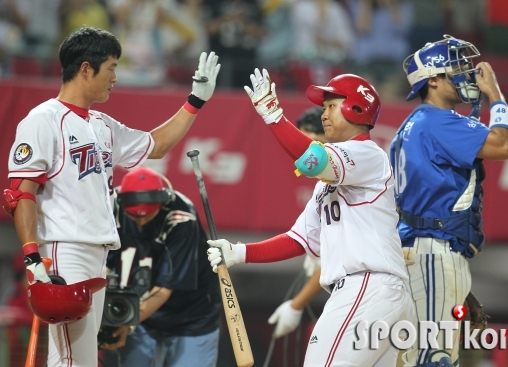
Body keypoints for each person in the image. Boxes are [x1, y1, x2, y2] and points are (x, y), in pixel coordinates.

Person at [4, 26, 220, 367]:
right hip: (64, 248)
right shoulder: (42, 121)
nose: (116, 77)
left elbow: (157, 144)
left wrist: (195, 102)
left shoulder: (101, 124)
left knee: (83, 358)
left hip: (98, 250)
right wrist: (33, 259)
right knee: (72, 359)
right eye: (112, 68)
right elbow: (20, 194)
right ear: (86, 68)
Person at [207, 69, 414, 366]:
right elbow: (297, 240)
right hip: (376, 293)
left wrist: (273, 114)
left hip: (367, 288)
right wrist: (238, 252)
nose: (324, 115)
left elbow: (311, 160)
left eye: (331, 105)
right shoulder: (327, 183)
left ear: (355, 107)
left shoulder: (367, 153)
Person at [390, 35, 508, 367]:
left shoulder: (413, 123)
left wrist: (457, 288)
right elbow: (504, 145)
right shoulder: (436, 120)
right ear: (432, 79)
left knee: (421, 357)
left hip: (428, 250)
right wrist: (496, 96)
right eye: (455, 68)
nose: (465, 73)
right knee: (433, 358)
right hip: (433, 250)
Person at [99, 167, 221, 367]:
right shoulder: (111, 207)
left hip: (191, 316)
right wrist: (109, 317)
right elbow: (102, 266)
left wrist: (126, 326)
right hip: (136, 310)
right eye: (134, 216)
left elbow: (165, 289)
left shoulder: (181, 218)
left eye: (148, 215)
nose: (141, 221)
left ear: (162, 202)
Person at [267, 106, 327, 339]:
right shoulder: (323, 184)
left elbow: (333, 261)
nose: (299, 154)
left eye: (304, 143)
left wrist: (296, 305)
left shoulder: (345, 174)